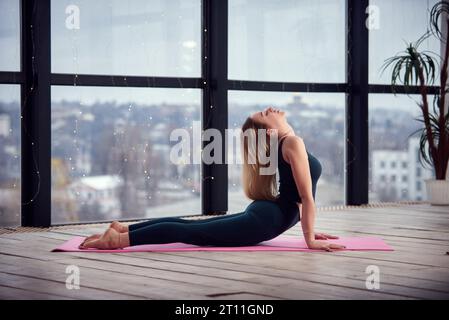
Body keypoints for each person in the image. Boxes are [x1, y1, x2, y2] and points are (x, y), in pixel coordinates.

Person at [79, 106, 345, 252]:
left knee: (193, 226)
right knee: (193, 232)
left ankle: (126, 229)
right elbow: (306, 197)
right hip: (269, 219)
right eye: (264, 115)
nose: (269, 109)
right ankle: (119, 240)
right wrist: (309, 237)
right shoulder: (292, 143)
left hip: (269, 214)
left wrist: (309, 228)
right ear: (268, 133)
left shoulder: (286, 143)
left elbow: (301, 197)